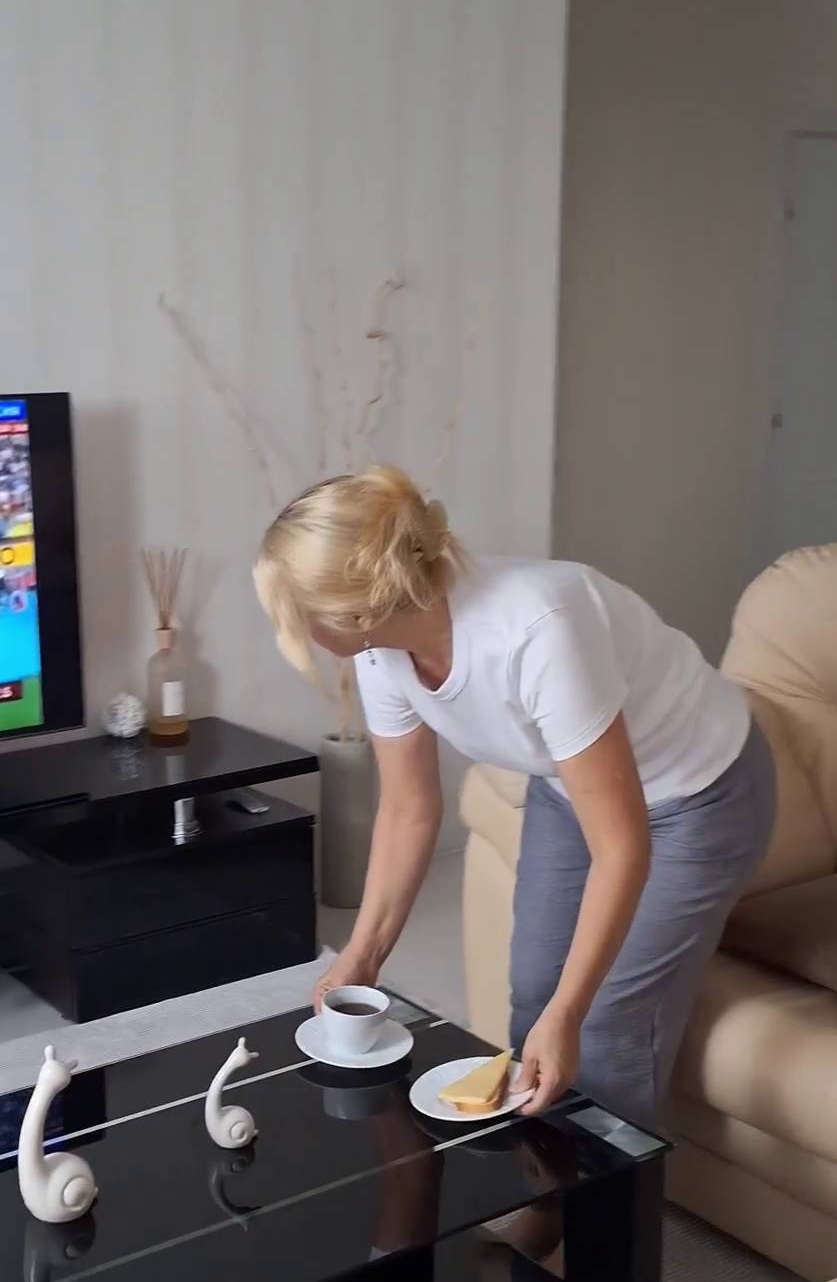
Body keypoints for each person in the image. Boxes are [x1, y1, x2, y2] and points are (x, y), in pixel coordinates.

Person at [254, 466, 777, 1132]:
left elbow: (620, 847)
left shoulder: (538, 629)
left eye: (302, 613)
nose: (298, 629)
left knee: (605, 1024)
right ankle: (542, 1179)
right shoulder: (379, 651)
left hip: (698, 794)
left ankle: (613, 1196)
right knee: (534, 995)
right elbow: (408, 809)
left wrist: (570, 1013)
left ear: (357, 610)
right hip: (567, 788)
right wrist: (361, 957)